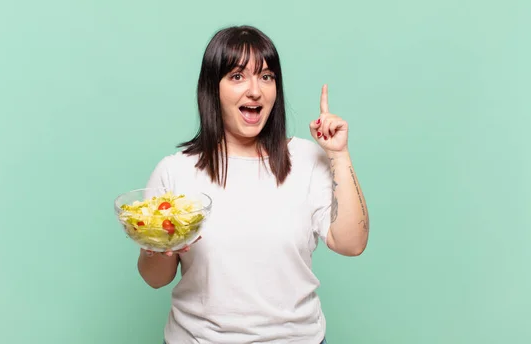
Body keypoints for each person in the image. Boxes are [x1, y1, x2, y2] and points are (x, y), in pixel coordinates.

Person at [137, 25, 369, 344]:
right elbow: (155, 279)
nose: (255, 90)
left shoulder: (305, 159)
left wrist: (339, 155)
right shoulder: (176, 171)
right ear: (212, 89)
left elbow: (351, 244)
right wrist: (161, 248)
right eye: (237, 76)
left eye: (266, 76)